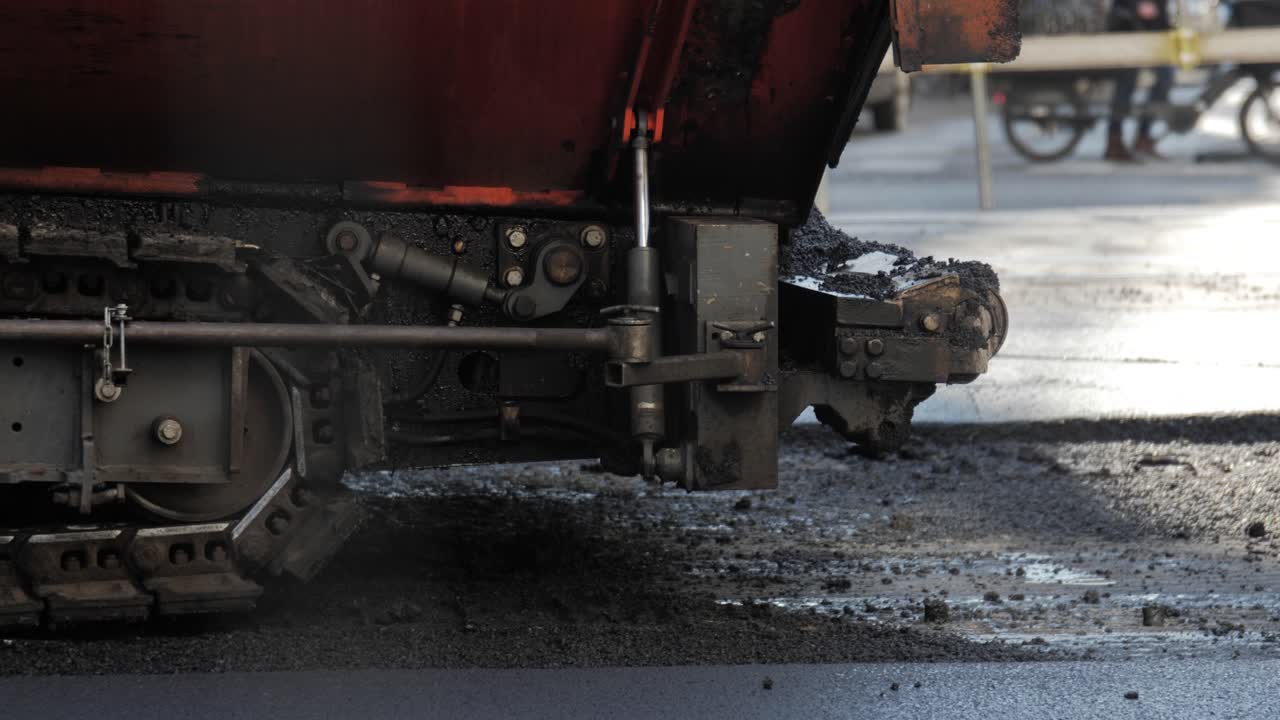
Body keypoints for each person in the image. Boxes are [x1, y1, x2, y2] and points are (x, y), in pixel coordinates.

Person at [1105, 0, 1176, 161]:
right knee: (1127, 80)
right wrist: (1137, 6)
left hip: (1153, 36)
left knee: (1165, 78)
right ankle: (1114, 139)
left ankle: (1143, 135)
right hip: (1127, 33)